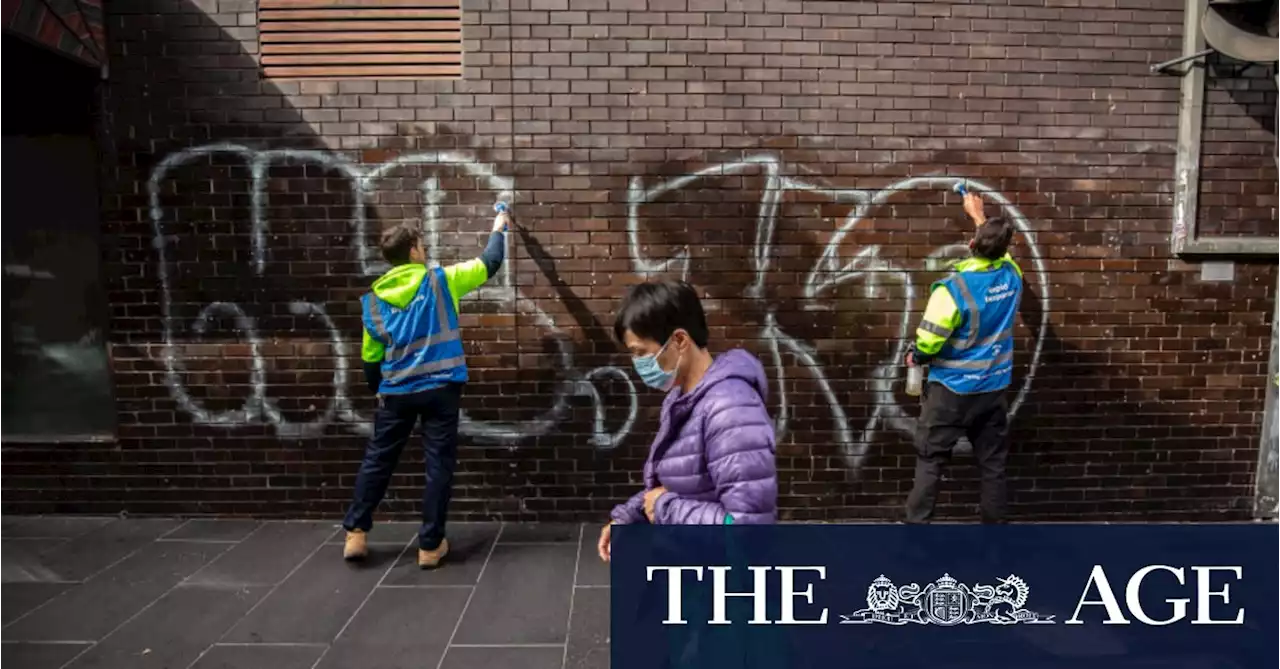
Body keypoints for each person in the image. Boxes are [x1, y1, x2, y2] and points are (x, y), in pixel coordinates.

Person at [342, 208, 508, 567]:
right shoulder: (441, 281)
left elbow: (371, 358)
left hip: (396, 393)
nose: (425, 249)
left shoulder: (372, 303)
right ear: (414, 252)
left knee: (378, 460)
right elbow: (490, 261)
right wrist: (499, 225)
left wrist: (379, 388)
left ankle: (356, 533)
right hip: (440, 391)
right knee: (438, 467)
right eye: (422, 244)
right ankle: (430, 546)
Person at [597, 280, 777, 563]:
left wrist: (665, 508)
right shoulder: (683, 398)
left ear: (680, 340)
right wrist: (630, 516)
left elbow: (748, 533)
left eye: (641, 352)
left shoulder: (730, 410)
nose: (637, 363)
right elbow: (676, 484)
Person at [904, 190, 1022, 524]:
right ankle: (995, 539)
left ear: (971, 245)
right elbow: (1001, 252)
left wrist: (916, 357)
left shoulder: (953, 289)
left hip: (951, 392)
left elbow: (927, 344)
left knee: (931, 461)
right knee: (992, 466)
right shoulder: (1012, 276)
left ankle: (914, 537)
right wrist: (979, 216)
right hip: (993, 390)